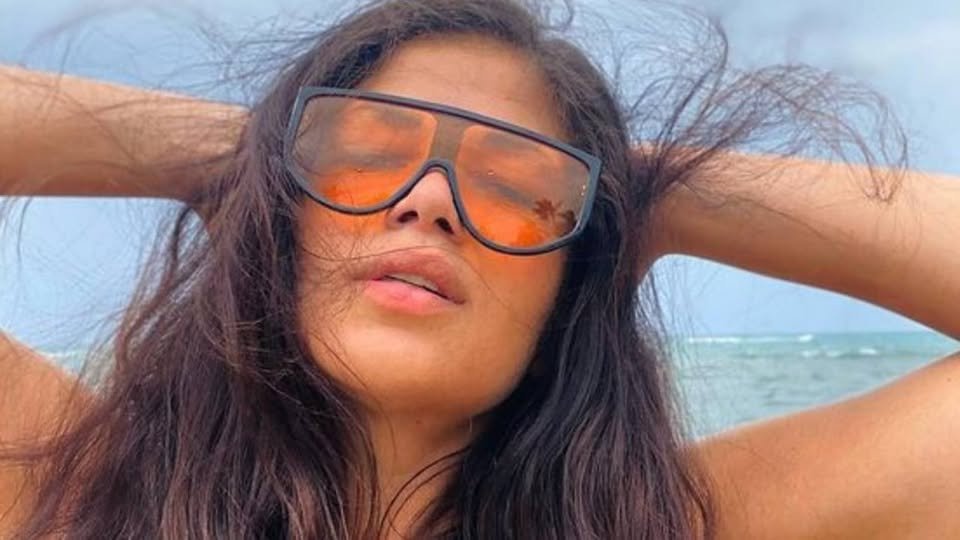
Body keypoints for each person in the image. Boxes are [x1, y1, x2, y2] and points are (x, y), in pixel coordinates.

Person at [0, 0, 957, 538]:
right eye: (364, 155)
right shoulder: (72, 489)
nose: (430, 202)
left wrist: (646, 195)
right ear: (276, 225)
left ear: (576, 283)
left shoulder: (682, 524)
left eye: (514, 188)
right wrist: (236, 160)